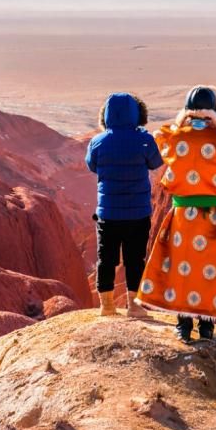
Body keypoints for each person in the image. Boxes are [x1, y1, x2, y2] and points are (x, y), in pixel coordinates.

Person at [136, 85, 216, 343]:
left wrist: (179, 127)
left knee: (181, 268)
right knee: (212, 270)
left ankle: (183, 325)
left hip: (183, 215)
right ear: (213, 111)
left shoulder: (175, 137)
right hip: (214, 216)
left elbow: (159, 139)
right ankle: (207, 327)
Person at [85, 92, 164, 317]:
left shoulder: (97, 142)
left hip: (107, 213)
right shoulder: (144, 140)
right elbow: (156, 162)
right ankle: (135, 306)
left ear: (106, 115)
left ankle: (106, 306)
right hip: (138, 213)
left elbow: (92, 165)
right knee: (135, 259)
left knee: (106, 258)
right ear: (137, 113)